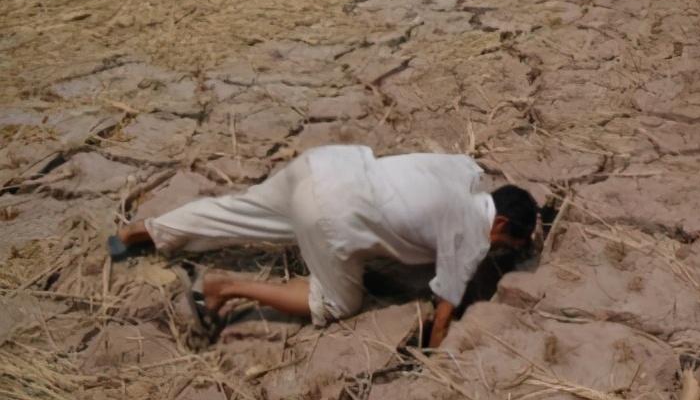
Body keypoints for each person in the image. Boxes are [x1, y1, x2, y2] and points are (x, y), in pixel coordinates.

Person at [108, 145, 538, 347]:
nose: (497, 249)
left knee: (237, 211)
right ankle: (224, 288)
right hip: (334, 210)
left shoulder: (462, 171)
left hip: (327, 163)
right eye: (504, 242)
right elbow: (442, 322)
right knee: (336, 303)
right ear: (498, 222)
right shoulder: (471, 236)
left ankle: (139, 231)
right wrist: (432, 358)